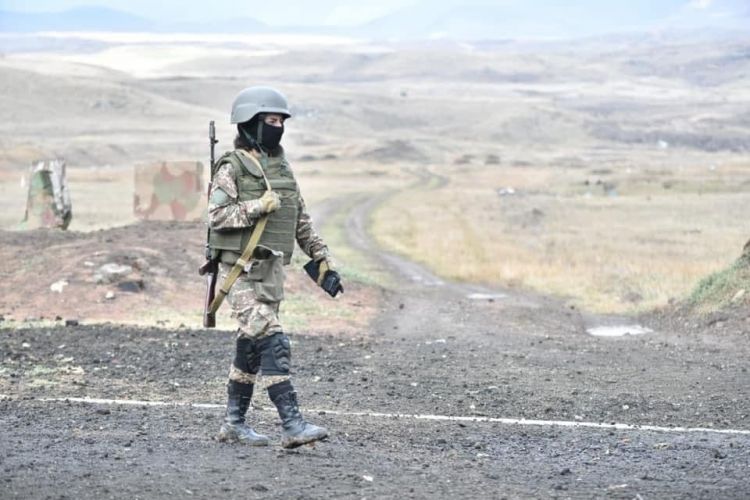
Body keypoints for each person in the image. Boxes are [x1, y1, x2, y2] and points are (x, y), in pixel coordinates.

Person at [207, 86, 342, 448]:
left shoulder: (281, 168)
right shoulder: (232, 167)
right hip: (239, 273)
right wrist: (258, 207)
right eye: (271, 120)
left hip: (271, 273)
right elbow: (216, 216)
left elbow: (300, 219)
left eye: (282, 121)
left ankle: (233, 425)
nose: (278, 127)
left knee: (251, 348)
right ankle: (292, 425)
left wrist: (322, 259)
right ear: (251, 123)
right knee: (272, 338)